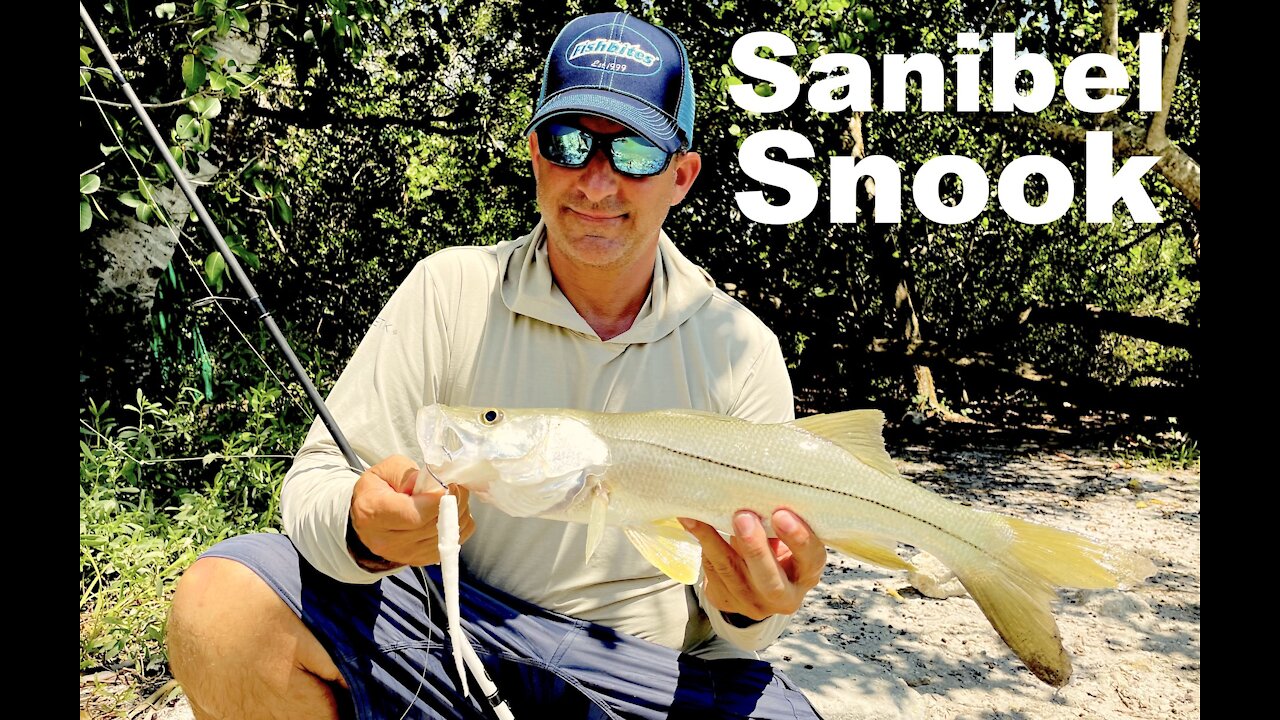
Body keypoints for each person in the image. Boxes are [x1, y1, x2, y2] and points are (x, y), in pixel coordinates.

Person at [167, 12, 828, 719]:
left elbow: (745, 622)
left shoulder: (740, 349)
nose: (595, 184)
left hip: (647, 674)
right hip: (452, 635)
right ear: (538, 156)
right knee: (222, 603)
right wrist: (362, 528)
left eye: (633, 152)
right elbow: (317, 486)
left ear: (682, 175)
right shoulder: (449, 291)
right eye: (568, 142)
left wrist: (752, 605)